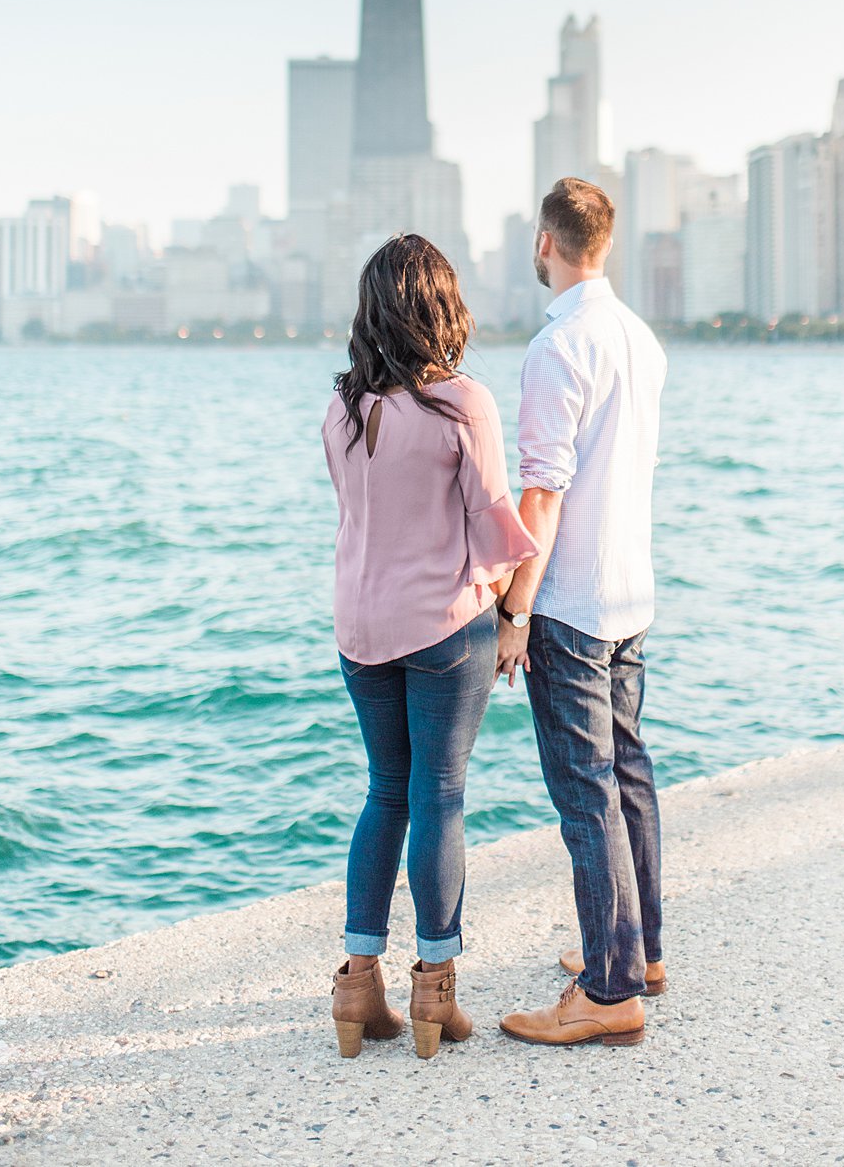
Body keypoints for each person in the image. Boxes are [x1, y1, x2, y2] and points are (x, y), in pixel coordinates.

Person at [323, 234, 537, 1060]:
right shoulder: (462, 403)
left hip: (360, 630)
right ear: (439, 308)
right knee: (439, 795)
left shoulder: (339, 408)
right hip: (446, 628)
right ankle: (435, 993)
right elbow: (491, 520)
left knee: (386, 793)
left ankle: (357, 986)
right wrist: (515, 604)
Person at [496, 177, 668, 1048]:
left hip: (570, 603)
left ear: (545, 242)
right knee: (628, 774)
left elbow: (543, 494)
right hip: (631, 591)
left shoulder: (557, 347)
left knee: (586, 793)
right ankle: (639, 955)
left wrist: (515, 609)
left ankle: (608, 993)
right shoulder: (641, 340)